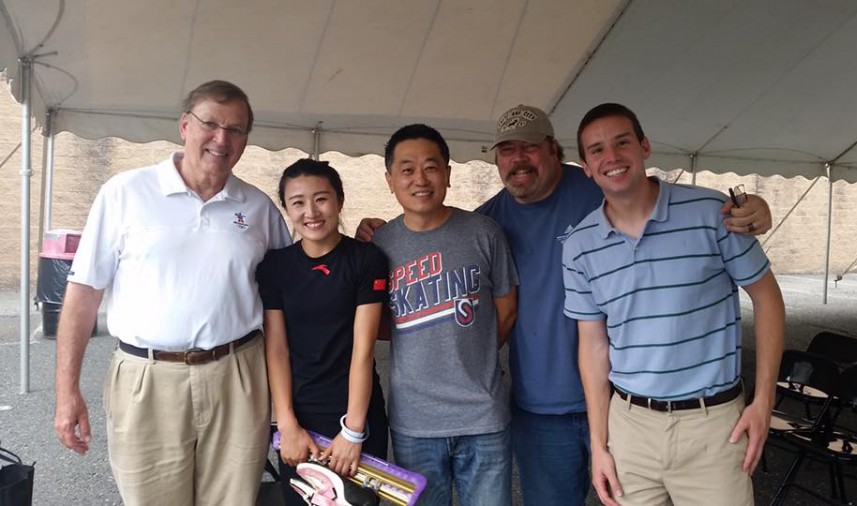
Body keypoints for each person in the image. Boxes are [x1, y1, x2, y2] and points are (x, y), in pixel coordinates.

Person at [357, 105, 773, 505]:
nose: (519, 159)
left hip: (624, 400)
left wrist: (755, 208)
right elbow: (442, 244)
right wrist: (369, 235)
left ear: (555, 149)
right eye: (506, 150)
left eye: (531, 146)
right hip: (542, 409)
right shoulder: (488, 223)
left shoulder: (598, 187)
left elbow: (653, 195)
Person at [53, 80, 292, 505]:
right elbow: (84, 293)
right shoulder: (125, 193)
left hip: (238, 376)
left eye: (236, 130)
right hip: (147, 378)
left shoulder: (258, 209)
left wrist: (366, 242)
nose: (222, 138)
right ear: (184, 125)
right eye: (210, 124)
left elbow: (299, 283)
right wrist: (66, 391)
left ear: (245, 140)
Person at [562, 103, 785, 506]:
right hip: (630, 427)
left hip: (713, 427)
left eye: (622, 142)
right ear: (586, 167)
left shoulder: (710, 213)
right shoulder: (579, 247)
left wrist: (764, 399)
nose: (611, 156)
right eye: (597, 150)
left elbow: (767, 298)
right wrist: (599, 444)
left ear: (644, 147)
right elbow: (593, 349)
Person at [373, 124, 519, 506]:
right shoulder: (379, 246)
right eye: (407, 169)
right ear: (390, 180)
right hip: (414, 422)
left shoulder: (485, 233)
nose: (420, 179)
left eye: (431, 167)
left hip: (482, 416)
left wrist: (473, 351)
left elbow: (506, 313)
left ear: (448, 174)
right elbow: (379, 322)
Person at [256, 159, 390, 506]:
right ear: (286, 208)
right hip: (299, 419)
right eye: (297, 202)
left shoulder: (366, 259)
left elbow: (363, 350)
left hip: (356, 412)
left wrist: (353, 430)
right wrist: (286, 424)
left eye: (321, 199)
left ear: (340, 201)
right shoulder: (275, 266)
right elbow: (277, 350)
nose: (311, 212)